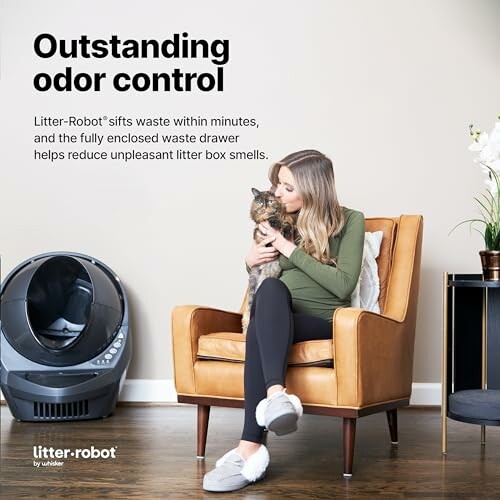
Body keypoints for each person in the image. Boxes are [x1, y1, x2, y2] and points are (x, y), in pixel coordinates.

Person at [203, 150, 365, 492]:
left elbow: (343, 284)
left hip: (323, 322)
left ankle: (249, 446)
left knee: (262, 325)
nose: (276, 193)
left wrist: (288, 248)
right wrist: (250, 261)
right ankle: (276, 396)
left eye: (287, 187)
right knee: (271, 292)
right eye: (277, 184)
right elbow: (263, 277)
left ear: (313, 189)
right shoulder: (279, 221)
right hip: (279, 316)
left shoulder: (351, 221)